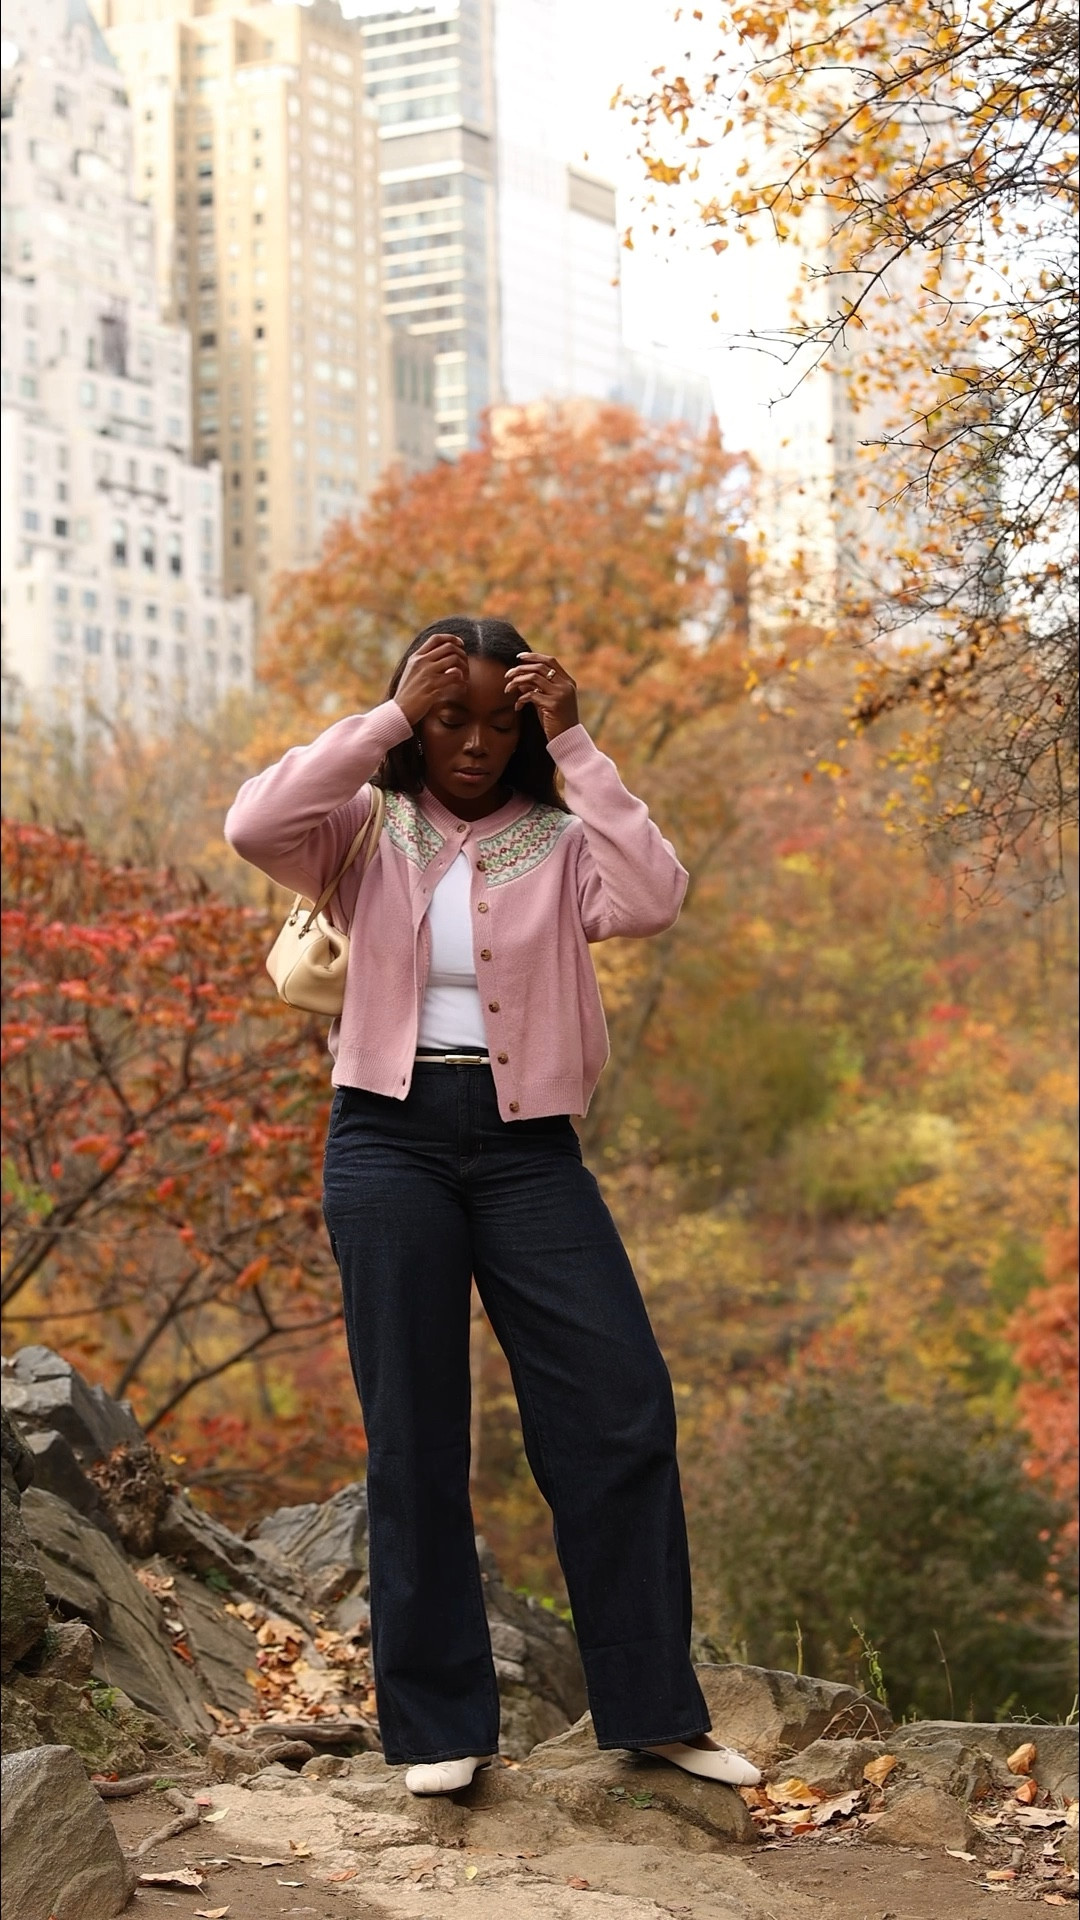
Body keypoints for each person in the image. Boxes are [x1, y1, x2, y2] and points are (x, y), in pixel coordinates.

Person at [225, 616, 761, 1797]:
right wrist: (383, 720)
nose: (473, 742)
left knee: (619, 1407)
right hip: (387, 1139)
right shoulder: (364, 826)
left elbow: (656, 895)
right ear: (417, 721)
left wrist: (576, 743)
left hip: (531, 1153)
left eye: (499, 722)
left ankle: (653, 1712)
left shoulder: (563, 842)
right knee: (415, 1430)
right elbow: (253, 825)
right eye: (448, 717)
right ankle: (439, 1731)